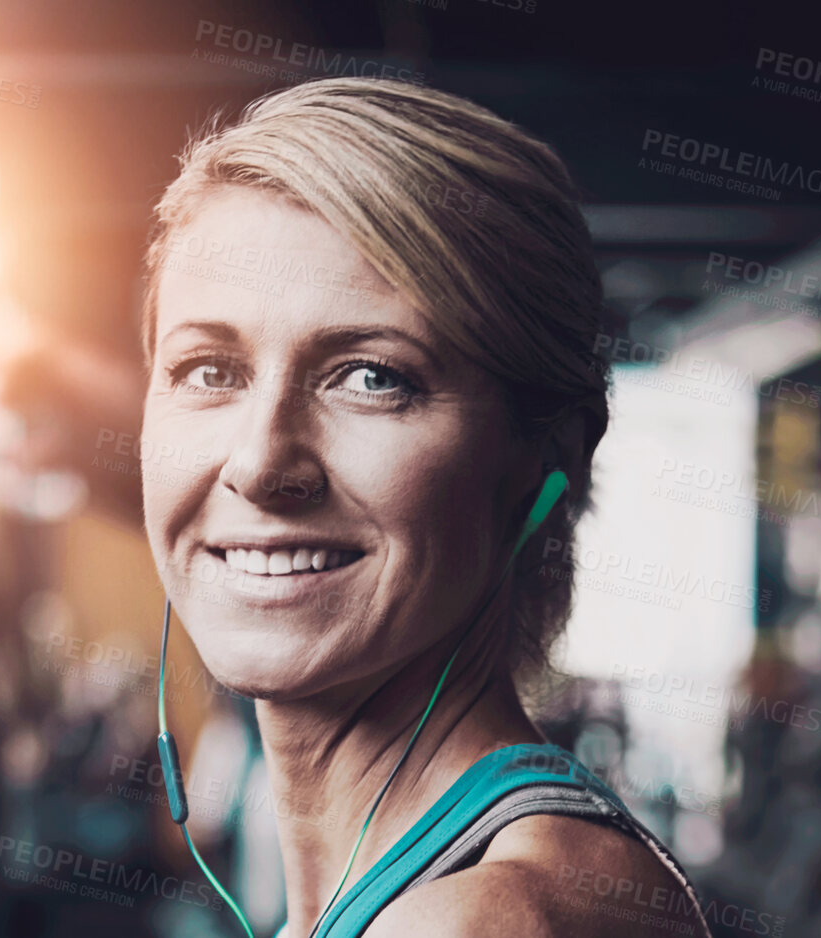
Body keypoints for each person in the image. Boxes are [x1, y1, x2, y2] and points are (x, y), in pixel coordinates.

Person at [137, 77, 713, 937]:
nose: (259, 465)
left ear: (545, 451)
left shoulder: (477, 919)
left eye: (371, 378)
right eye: (208, 371)